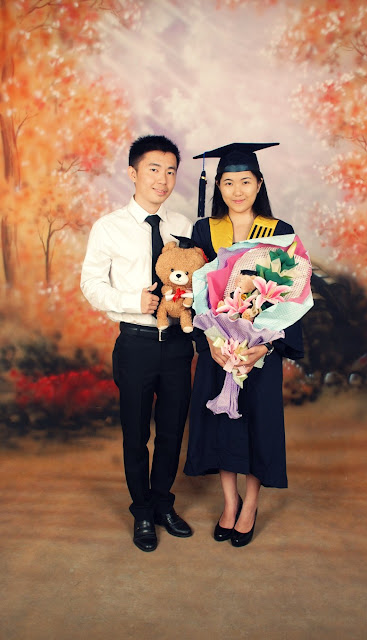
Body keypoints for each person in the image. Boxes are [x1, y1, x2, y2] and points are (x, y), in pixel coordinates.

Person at [184, 143, 304, 547]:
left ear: (259, 183)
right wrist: (212, 341)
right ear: (218, 185)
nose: (237, 191)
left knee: (257, 424)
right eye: (229, 182)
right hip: (218, 349)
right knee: (222, 425)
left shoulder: (279, 230)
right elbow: (197, 291)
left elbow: (293, 295)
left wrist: (264, 347)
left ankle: (250, 505)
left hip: (259, 352)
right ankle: (229, 502)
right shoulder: (204, 231)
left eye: (246, 182)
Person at [81, 135, 194, 552]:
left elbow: (197, 277)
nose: (162, 180)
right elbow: (91, 284)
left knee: (172, 431)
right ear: (133, 173)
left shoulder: (183, 226)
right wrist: (134, 301)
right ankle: (142, 511)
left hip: (178, 344)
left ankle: (163, 502)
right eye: (153, 169)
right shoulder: (108, 227)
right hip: (136, 344)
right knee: (135, 433)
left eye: (170, 171)